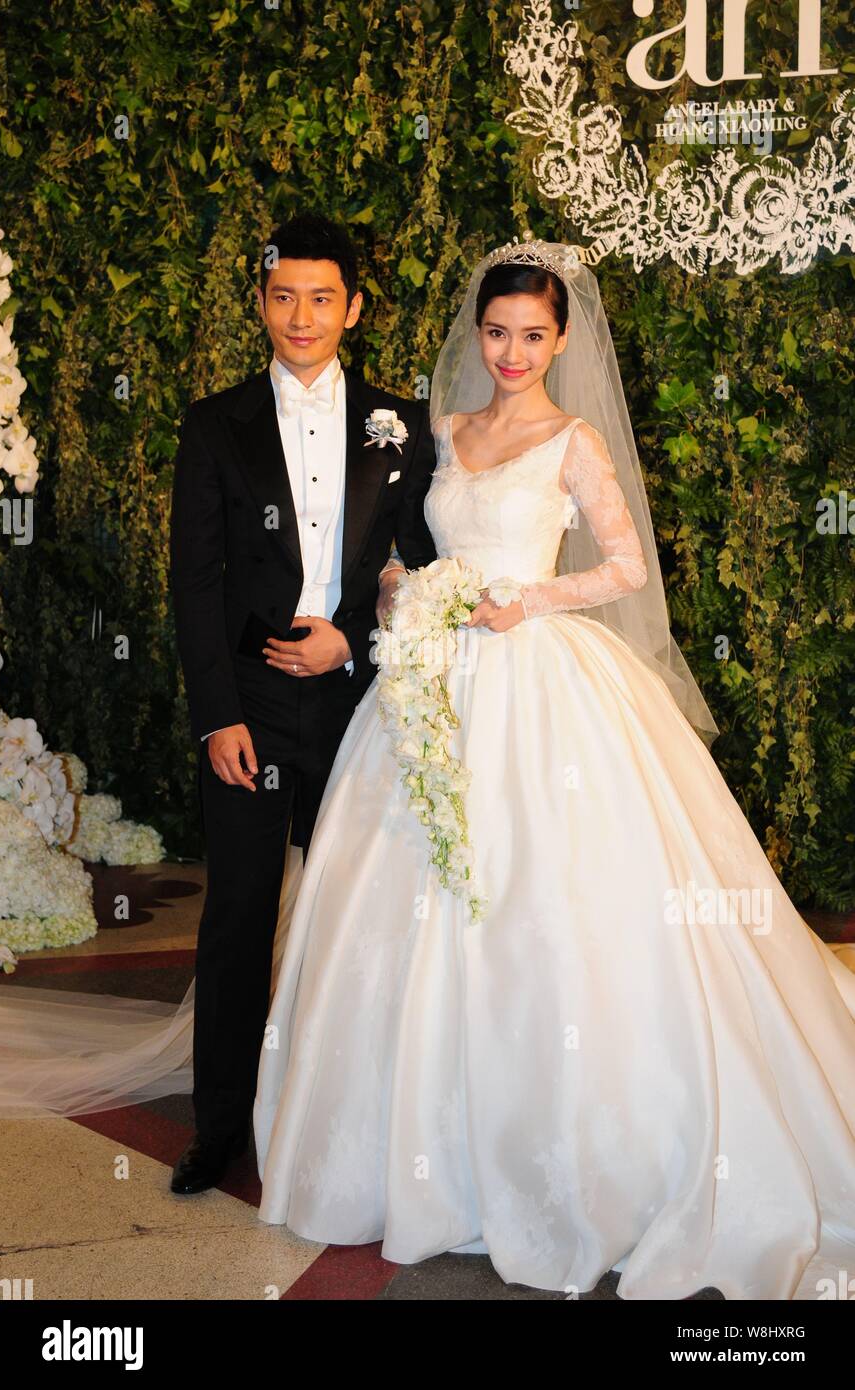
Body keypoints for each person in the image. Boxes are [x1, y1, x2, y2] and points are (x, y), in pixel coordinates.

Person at [251, 233, 855, 1300]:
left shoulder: (574, 442)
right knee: (403, 904)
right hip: (432, 683)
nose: (512, 351)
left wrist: (526, 599)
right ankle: (410, 1151)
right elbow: (406, 547)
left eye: (532, 334)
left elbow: (624, 565)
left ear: (561, 336)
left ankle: (578, 1161)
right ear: (473, 334)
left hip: (541, 679)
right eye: (495, 332)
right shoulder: (438, 431)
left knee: (555, 904)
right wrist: (400, 584)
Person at [166, 211, 436, 1194]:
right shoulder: (215, 422)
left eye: (322, 298)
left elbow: (424, 568)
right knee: (237, 912)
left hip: (355, 703)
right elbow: (193, 581)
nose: (301, 315)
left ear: (352, 308)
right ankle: (218, 1127)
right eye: (283, 295)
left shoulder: (400, 425)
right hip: (246, 703)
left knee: (356, 914)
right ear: (259, 300)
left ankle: (350, 1115)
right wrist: (215, 714)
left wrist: (352, 640)